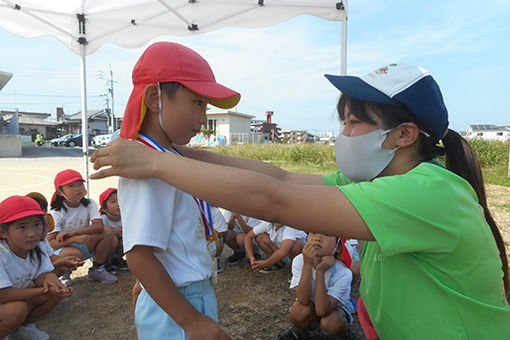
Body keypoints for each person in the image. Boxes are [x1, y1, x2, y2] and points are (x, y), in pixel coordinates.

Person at [91, 62, 510, 339]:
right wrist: (175, 154)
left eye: (354, 122)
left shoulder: (426, 192)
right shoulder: (378, 180)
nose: (343, 134)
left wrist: (157, 164)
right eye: (342, 121)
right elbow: (281, 176)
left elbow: (276, 200)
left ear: (405, 135)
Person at [108, 41, 239, 340]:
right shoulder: (146, 168)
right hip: (180, 310)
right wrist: (191, 321)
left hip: (183, 298)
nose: (204, 118)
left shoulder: (167, 160)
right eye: (198, 103)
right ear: (155, 97)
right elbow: (139, 254)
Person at [0, 195, 73, 339]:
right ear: (3, 232)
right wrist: (45, 289)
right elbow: (4, 295)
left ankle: (21, 329)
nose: (32, 233)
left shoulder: (36, 247)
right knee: (16, 310)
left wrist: (52, 282)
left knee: (54, 294)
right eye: (22, 227)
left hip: (9, 301)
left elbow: (45, 274)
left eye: (37, 225)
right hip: (5, 301)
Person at [47, 169, 117, 284]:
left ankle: (97, 269)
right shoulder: (57, 213)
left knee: (109, 234)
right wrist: (73, 239)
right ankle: (63, 275)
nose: (78, 188)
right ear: (60, 192)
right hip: (65, 249)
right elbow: (49, 244)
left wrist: (75, 233)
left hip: (84, 242)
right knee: (75, 253)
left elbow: (99, 227)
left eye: (80, 184)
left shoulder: (89, 204)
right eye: (71, 186)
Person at [278, 232, 353, 340]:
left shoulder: (343, 273)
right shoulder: (299, 261)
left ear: (338, 247)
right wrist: (308, 264)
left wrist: (320, 272)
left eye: (326, 235)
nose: (317, 238)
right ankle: (301, 333)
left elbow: (322, 311)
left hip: (333, 309)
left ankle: (344, 336)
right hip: (311, 304)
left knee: (331, 322)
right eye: (313, 233)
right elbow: (303, 300)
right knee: (298, 310)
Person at [26, 192, 84, 278]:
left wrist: (68, 261)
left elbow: (52, 257)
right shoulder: (20, 244)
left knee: (60, 269)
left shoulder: (41, 240)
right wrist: (61, 263)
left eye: (43, 212)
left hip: (33, 279)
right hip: (21, 285)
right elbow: (30, 274)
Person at [99, 187, 129, 272]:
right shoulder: (103, 219)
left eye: (120, 200)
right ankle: (104, 262)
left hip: (119, 245)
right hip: (105, 246)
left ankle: (116, 261)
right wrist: (113, 231)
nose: (118, 204)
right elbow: (98, 233)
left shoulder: (126, 216)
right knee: (113, 239)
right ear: (104, 208)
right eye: (113, 202)